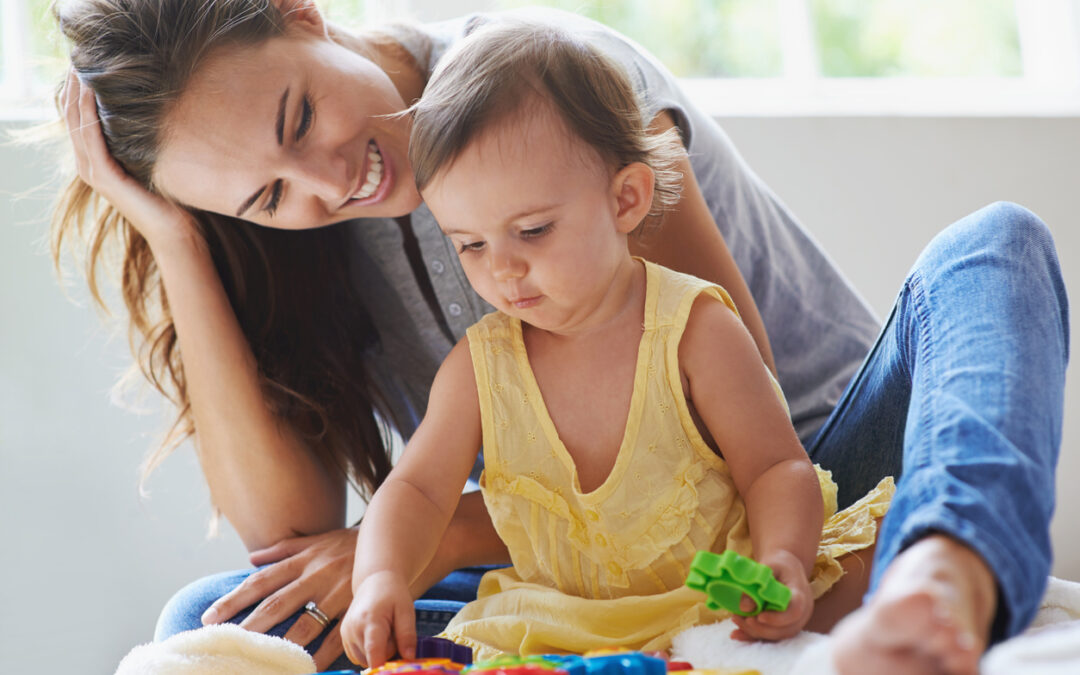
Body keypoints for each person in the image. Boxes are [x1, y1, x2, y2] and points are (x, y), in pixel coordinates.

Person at [52, 0, 1066, 673]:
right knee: (215, 628)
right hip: (569, 551)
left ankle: (943, 571)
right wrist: (178, 237)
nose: (328, 182)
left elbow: (706, 437)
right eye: (267, 195)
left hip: (802, 476)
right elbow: (288, 529)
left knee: (994, 249)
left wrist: (437, 533)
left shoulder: (544, 84)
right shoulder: (302, 234)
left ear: (303, 14)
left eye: (298, 114)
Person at [338, 21, 895, 666]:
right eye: (470, 244)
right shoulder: (478, 370)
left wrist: (782, 563)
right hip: (561, 624)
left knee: (872, 555)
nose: (503, 269)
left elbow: (775, 467)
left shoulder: (694, 329)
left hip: (711, 603)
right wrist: (377, 579)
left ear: (626, 198)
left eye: (534, 230)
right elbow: (416, 492)